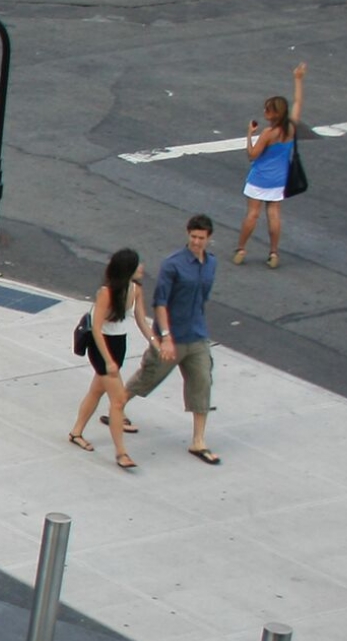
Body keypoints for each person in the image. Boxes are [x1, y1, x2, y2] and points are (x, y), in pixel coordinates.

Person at [126, 214, 222, 464]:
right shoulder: (173, 264)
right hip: (172, 336)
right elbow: (160, 302)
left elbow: (204, 297)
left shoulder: (211, 263)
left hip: (197, 335)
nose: (197, 242)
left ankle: (198, 440)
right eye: (193, 236)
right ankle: (117, 407)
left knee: (202, 383)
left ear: (209, 238)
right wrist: (165, 336)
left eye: (201, 238)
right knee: (148, 377)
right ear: (187, 234)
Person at [69, 247, 144, 470]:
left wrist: (156, 340)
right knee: (118, 401)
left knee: (96, 391)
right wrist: (109, 361)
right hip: (102, 348)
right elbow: (97, 330)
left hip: (119, 344)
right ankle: (121, 453)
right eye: (137, 265)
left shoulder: (136, 290)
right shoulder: (106, 293)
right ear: (128, 269)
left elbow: (141, 320)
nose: (142, 268)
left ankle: (76, 432)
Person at [236, 61, 306, 269]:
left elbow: (252, 155)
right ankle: (274, 252)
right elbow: (298, 101)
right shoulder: (291, 128)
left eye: (267, 110)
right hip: (279, 179)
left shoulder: (268, 133)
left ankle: (241, 248)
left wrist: (249, 134)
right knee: (274, 213)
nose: (264, 112)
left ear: (274, 114)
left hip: (260, 178)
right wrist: (298, 79)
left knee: (252, 214)